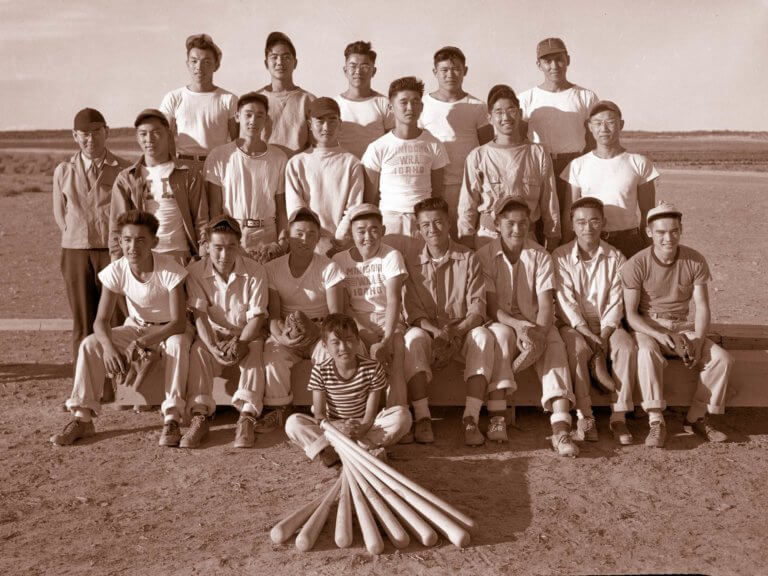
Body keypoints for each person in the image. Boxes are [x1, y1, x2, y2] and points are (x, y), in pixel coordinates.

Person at [50, 211, 192, 447]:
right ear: (120, 241)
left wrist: (142, 343)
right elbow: (101, 321)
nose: (132, 247)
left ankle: (172, 418)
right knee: (90, 344)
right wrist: (108, 348)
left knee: (177, 345)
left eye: (141, 240)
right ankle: (82, 418)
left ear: (154, 242)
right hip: (137, 328)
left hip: (170, 331)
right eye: (127, 240)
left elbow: (178, 322)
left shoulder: (170, 269)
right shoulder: (117, 269)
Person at [621, 202, 733, 448]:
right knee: (646, 352)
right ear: (649, 232)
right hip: (648, 325)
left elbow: (702, 306)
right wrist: (659, 334)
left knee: (721, 359)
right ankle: (655, 420)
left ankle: (697, 417)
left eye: (674, 231)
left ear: (681, 230)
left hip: (681, 326)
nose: (668, 238)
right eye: (660, 232)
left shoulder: (695, 260)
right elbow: (631, 315)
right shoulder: (636, 264)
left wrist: (698, 340)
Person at [477, 195, 579, 456]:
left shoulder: (540, 255)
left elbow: (545, 305)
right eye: (510, 223)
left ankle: (561, 428)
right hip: (501, 321)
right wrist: (519, 327)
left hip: (535, 322)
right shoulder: (484, 255)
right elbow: (491, 307)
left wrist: (540, 334)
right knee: (501, 337)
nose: (517, 229)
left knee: (555, 346)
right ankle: (497, 416)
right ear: (497, 224)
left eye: (523, 223)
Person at [402, 197, 496, 446]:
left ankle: (471, 418)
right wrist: (437, 333)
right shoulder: (411, 261)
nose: (432, 229)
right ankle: (422, 417)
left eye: (438, 222)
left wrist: (456, 332)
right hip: (429, 333)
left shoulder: (469, 257)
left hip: (462, 331)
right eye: (426, 224)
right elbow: (413, 312)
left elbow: (477, 307)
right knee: (412, 338)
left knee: (484, 336)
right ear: (419, 229)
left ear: (449, 223)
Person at [183, 215, 272, 449]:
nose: (224, 255)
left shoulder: (255, 270)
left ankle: (247, 416)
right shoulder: (194, 272)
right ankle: (200, 415)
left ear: (239, 245)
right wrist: (213, 347)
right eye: (218, 248)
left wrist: (241, 342)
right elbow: (200, 316)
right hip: (215, 335)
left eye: (231, 247)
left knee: (255, 350)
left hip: (246, 333)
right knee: (199, 350)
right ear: (206, 246)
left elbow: (257, 317)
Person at [553, 197, 636, 445]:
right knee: (577, 350)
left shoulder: (616, 257)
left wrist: (605, 334)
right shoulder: (560, 256)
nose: (587, 227)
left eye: (594, 221)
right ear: (572, 225)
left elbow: (616, 301)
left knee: (626, 347)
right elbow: (565, 302)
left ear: (603, 223)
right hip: (574, 325)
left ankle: (619, 416)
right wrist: (588, 335)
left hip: (607, 324)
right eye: (581, 222)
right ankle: (585, 415)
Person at [53, 107, 131, 364]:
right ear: (74, 136)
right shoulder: (63, 170)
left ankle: (119, 382)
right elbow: (59, 213)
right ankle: (84, 381)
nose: (90, 139)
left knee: (116, 319)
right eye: (84, 134)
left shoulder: (124, 169)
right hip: (76, 253)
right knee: (83, 321)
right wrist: (75, 234)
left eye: (96, 132)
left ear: (107, 132)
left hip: (114, 253)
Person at [285, 314, 412, 465]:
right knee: (293, 423)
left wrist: (362, 428)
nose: (343, 348)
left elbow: (370, 415)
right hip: (333, 428)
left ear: (358, 341)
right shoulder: (320, 370)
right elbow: (319, 414)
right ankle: (360, 451)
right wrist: (336, 428)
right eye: (335, 342)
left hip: (362, 427)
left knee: (402, 416)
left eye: (349, 340)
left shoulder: (372, 368)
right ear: (325, 346)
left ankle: (336, 452)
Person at [261, 207, 347, 426]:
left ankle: (329, 413)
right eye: (298, 234)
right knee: (272, 355)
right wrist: (282, 336)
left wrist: (315, 331)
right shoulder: (272, 268)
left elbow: (336, 314)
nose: (304, 240)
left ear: (318, 238)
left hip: (321, 329)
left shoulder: (329, 267)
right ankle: (279, 408)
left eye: (311, 234)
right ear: (288, 235)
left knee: (329, 353)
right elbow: (274, 315)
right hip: (289, 329)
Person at [458, 84, 560, 251]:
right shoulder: (478, 156)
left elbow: (549, 202)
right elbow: (467, 204)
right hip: (488, 238)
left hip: (526, 238)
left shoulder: (538, 153)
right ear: (489, 118)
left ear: (520, 113)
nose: (505, 117)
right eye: (498, 112)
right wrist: (467, 241)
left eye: (511, 110)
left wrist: (553, 238)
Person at [332, 203, 409, 406]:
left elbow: (394, 300)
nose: (368, 237)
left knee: (397, 346)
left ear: (383, 231)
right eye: (361, 231)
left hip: (388, 320)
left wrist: (386, 339)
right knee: (351, 348)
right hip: (355, 322)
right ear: (351, 233)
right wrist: (364, 332)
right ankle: (356, 410)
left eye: (374, 230)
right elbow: (345, 306)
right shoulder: (339, 260)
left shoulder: (391, 256)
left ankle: (396, 408)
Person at [561, 100, 659, 257]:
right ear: (589, 126)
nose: (604, 129)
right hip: (591, 242)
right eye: (598, 123)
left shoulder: (639, 162)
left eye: (610, 122)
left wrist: (651, 252)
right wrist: (565, 250)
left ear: (621, 124)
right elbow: (569, 215)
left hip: (629, 241)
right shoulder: (577, 165)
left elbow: (648, 214)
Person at [362, 76, 449, 253]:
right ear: (391, 107)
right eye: (403, 102)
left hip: (423, 221)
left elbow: (437, 194)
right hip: (389, 221)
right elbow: (370, 198)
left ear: (421, 106)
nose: (410, 108)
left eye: (415, 102)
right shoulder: (378, 147)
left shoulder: (434, 145)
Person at [519, 38, 598, 230]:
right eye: (547, 61)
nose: (554, 66)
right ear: (539, 65)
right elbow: (519, 140)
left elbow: (592, 140)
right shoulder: (526, 98)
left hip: (574, 165)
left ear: (568, 60)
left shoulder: (586, 96)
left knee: (572, 222)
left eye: (559, 59)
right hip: (538, 166)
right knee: (538, 223)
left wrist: (584, 168)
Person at [110, 109, 208, 264]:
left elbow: (201, 221)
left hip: (180, 256)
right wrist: (116, 262)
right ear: (137, 138)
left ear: (168, 135)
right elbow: (118, 227)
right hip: (142, 258)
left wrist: (204, 256)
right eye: (143, 134)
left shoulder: (188, 174)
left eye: (156, 132)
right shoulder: (127, 178)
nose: (149, 139)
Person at [419, 46, 493, 237]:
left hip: (466, 185)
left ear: (465, 71)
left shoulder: (478, 107)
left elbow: (488, 149)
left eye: (456, 69)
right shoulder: (422, 105)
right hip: (431, 184)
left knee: (464, 238)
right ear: (435, 72)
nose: (450, 75)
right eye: (444, 70)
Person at [204, 92, 288, 259]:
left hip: (268, 235)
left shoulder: (279, 157)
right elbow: (215, 208)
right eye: (248, 115)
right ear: (237, 116)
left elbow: (281, 207)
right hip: (233, 235)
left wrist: (281, 243)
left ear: (266, 119)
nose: (253, 121)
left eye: (259, 115)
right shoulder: (219, 156)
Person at [285, 97, 364, 256]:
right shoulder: (297, 163)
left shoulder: (352, 163)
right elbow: (296, 208)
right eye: (320, 121)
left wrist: (338, 241)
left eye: (332, 120)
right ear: (310, 124)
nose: (326, 127)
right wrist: (314, 239)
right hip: (306, 244)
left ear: (340, 124)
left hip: (341, 246)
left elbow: (353, 208)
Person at [159, 34, 237, 173]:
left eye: (206, 62)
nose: (199, 67)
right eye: (194, 61)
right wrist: (174, 167)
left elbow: (237, 141)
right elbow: (165, 136)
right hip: (183, 167)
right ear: (187, 64)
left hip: (219, 168)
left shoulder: (229, 99)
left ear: (216, 65)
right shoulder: (173, 98)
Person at [258, 31, 316, 157]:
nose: (280, 62)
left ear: (295, 63)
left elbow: (316, 145)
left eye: (286, 57)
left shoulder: (308, 100)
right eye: (274, 57)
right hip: (264, 165)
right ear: (266, 63)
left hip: (298, 166)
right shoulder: (256, 100)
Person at [335, 41, 394, 160]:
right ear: (345, 70)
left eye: (364, 66)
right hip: (344, 168)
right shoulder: (335, 105)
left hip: (376, 168)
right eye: (353, 66)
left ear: (374, 71)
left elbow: (393, 142)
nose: (358, 71)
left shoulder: (385, 103)